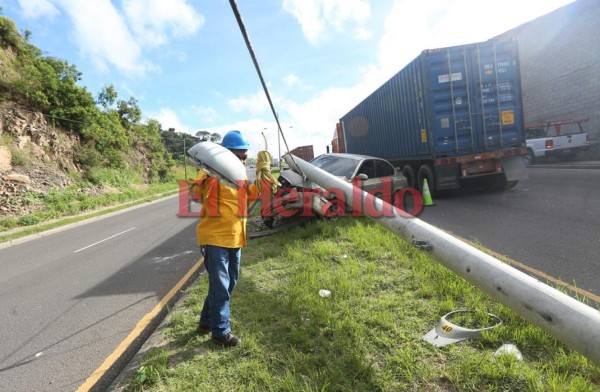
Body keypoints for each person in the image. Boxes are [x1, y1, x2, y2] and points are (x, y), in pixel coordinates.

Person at [191, 130, 263, 348]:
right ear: (227, 154)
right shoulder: (210, 175)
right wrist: (210, 174)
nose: (243, 160)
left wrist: (261, 179)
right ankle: (220, 332)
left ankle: (205, 322)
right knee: (221, 287)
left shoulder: (239, 178)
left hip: (234, 237)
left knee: (228, 282)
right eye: (240, 156)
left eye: (245, 156)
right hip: (215, 238)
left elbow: (248, 198)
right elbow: (196, 195)